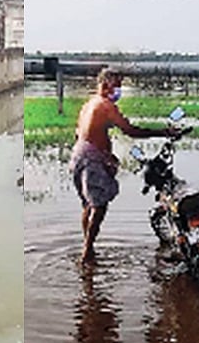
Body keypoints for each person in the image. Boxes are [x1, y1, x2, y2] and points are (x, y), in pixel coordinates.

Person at [70, 69, 179, 264]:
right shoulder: (105, 105)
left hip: (79, 154)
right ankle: (86, 252)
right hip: (90, 159)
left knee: (88, 204)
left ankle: (88, 248)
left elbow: (81, 134)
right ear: (105, 85)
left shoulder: (89, 104)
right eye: (117, 86)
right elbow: (130, 131)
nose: (119, 91)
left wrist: (105, 154)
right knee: (99, 206)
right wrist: (163, 132)